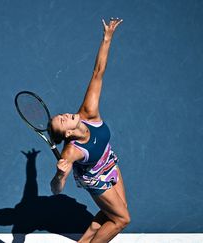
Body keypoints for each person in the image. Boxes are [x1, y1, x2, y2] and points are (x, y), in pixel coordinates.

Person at [48, 17, 130, 243]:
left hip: (109, 161)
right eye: (62, 121)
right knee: (122, 220)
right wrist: (59, 174)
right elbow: (56, 190)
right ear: (67, 134)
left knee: (114, 212)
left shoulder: (89, 111)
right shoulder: (71, 152)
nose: (64, 115)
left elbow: (98, 72)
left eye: (61, 115)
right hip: (94, 178)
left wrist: (107, 38)